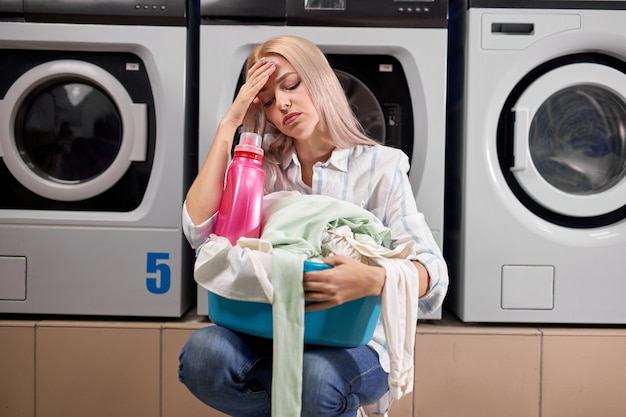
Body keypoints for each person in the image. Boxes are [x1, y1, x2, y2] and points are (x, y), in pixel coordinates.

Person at [179, 35, 448, 417]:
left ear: (320, 80)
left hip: (358, 341)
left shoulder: (380, 167)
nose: (282, 104)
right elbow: (200, 233)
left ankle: (319, 403)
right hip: (271, 330)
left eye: (290, 85)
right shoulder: (262, 169)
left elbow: (433, 273)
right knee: (203, 356)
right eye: (268, 101)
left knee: (316, 377)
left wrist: (373, 280)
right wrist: (230, 126)